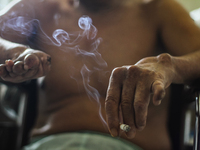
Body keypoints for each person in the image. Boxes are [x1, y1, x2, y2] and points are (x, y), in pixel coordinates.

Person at [0, 0, 200, 149]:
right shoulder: (41, 6)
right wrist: (13, 52)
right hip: (50, 144)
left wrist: (170, 66)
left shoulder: (157, 9)